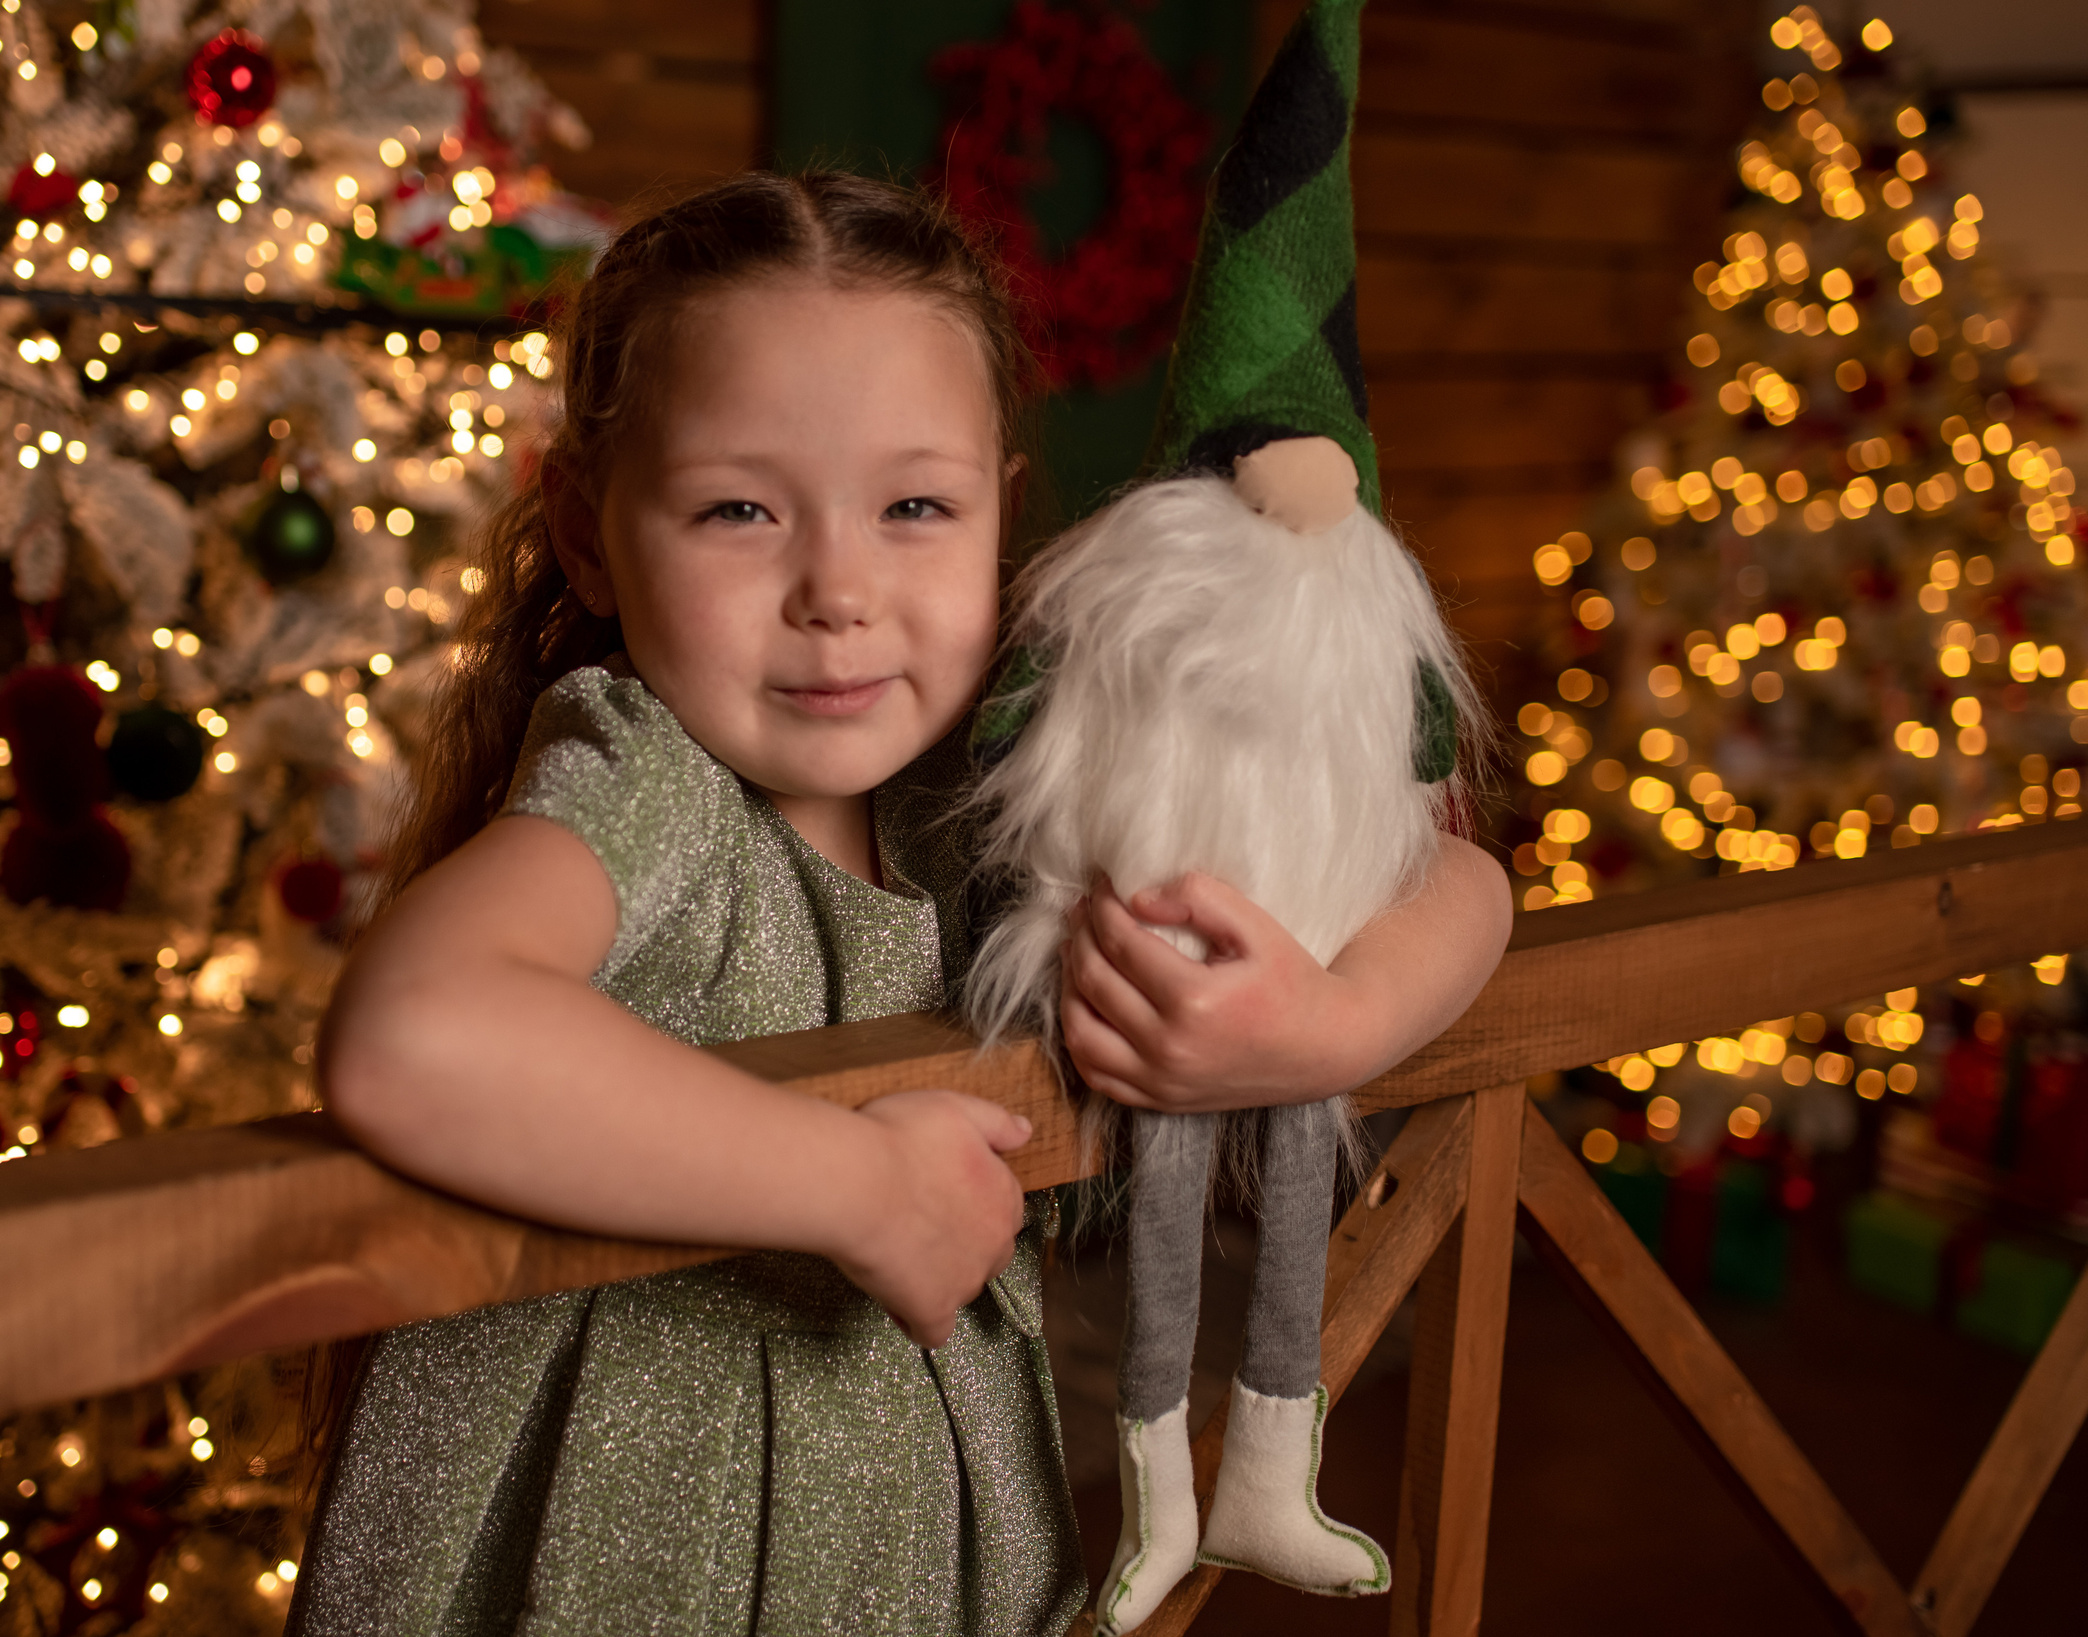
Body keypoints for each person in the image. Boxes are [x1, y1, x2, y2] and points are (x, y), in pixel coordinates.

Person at [292, 171, 1511, 1637]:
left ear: (999, 508)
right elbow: (413, 1035)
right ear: (587, 532)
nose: (839, 591)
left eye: (914, 506)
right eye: (740, 508)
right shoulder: (648, 782)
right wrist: (856, 1187)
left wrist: (1335, 1018)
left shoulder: (989, 799)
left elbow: (1452, 876)